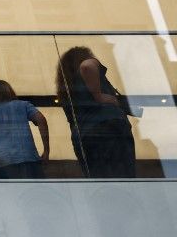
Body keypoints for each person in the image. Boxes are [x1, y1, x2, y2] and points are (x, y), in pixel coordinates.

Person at [55, 46, 136, 178]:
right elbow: (88, 65)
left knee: (99, 181)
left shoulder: (67, 91)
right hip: (110, 128)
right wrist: (103, 97)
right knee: (124, 177)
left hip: (84, 136)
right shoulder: (88, 68)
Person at [0, 80, 49, 179]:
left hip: (3, 165)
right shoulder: (23, 105)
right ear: (9, 91)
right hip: (29, 160)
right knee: (35, 192)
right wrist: (46, 150)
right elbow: (41, 119)